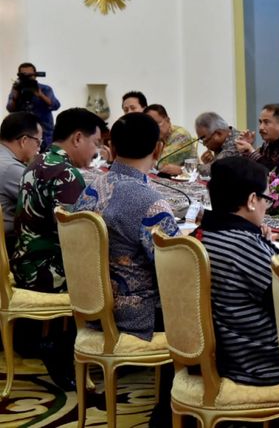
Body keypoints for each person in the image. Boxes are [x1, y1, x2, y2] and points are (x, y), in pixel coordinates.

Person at [72, 112, 180, 426]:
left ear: (112, 147)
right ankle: (174, 412)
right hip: (134, 314)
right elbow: (174, 267)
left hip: (92, 306)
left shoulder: (92, 187)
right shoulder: (148, 200)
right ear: (158, 150)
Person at [192, 157, 279, 388]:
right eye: (266, 199)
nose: (267, 206)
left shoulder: (197, 237)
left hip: (214, 352)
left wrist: (260, 242)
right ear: (252, 200)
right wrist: (267, 248)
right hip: (256, 362)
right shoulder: (245, 246)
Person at [11, 108, 106, 293]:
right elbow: (78, 237)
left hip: (24, 263)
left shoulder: (39, 160)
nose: (96, 152)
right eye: (96, 143)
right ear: (78, 138)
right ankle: (92, 322)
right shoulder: (65, 173)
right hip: (46, 273)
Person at [0, 112, 42, 252]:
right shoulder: (11, 168)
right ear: (24, 140)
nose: (38, 149)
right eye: (38, 142)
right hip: (7, 246)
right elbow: (42, 200)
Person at [6, 62, 61, 149]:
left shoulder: (45, 89)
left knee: (45, 159)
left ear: (35, 75)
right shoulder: (17, 89)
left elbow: (55, 105)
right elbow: (10, 108)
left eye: (30, 75)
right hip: (22, 134)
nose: (28, 78)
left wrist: (40, 95)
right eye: (24, 75)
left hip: (45, 134)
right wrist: (15, 97)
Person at [144, 104, 197, 176]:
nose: (153, 129)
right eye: (149, 126)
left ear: (168, 120)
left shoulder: (180, 135)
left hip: (188, 181)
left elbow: (162, 165)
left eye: (157, 123)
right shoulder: (160, 138)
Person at [194, 112, 244, 177]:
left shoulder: (237, 142)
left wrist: (190, 167)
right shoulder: (223, 141)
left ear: (219, 133)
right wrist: (211, 161)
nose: (204, 144)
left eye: (206, 140)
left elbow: (215, 170)